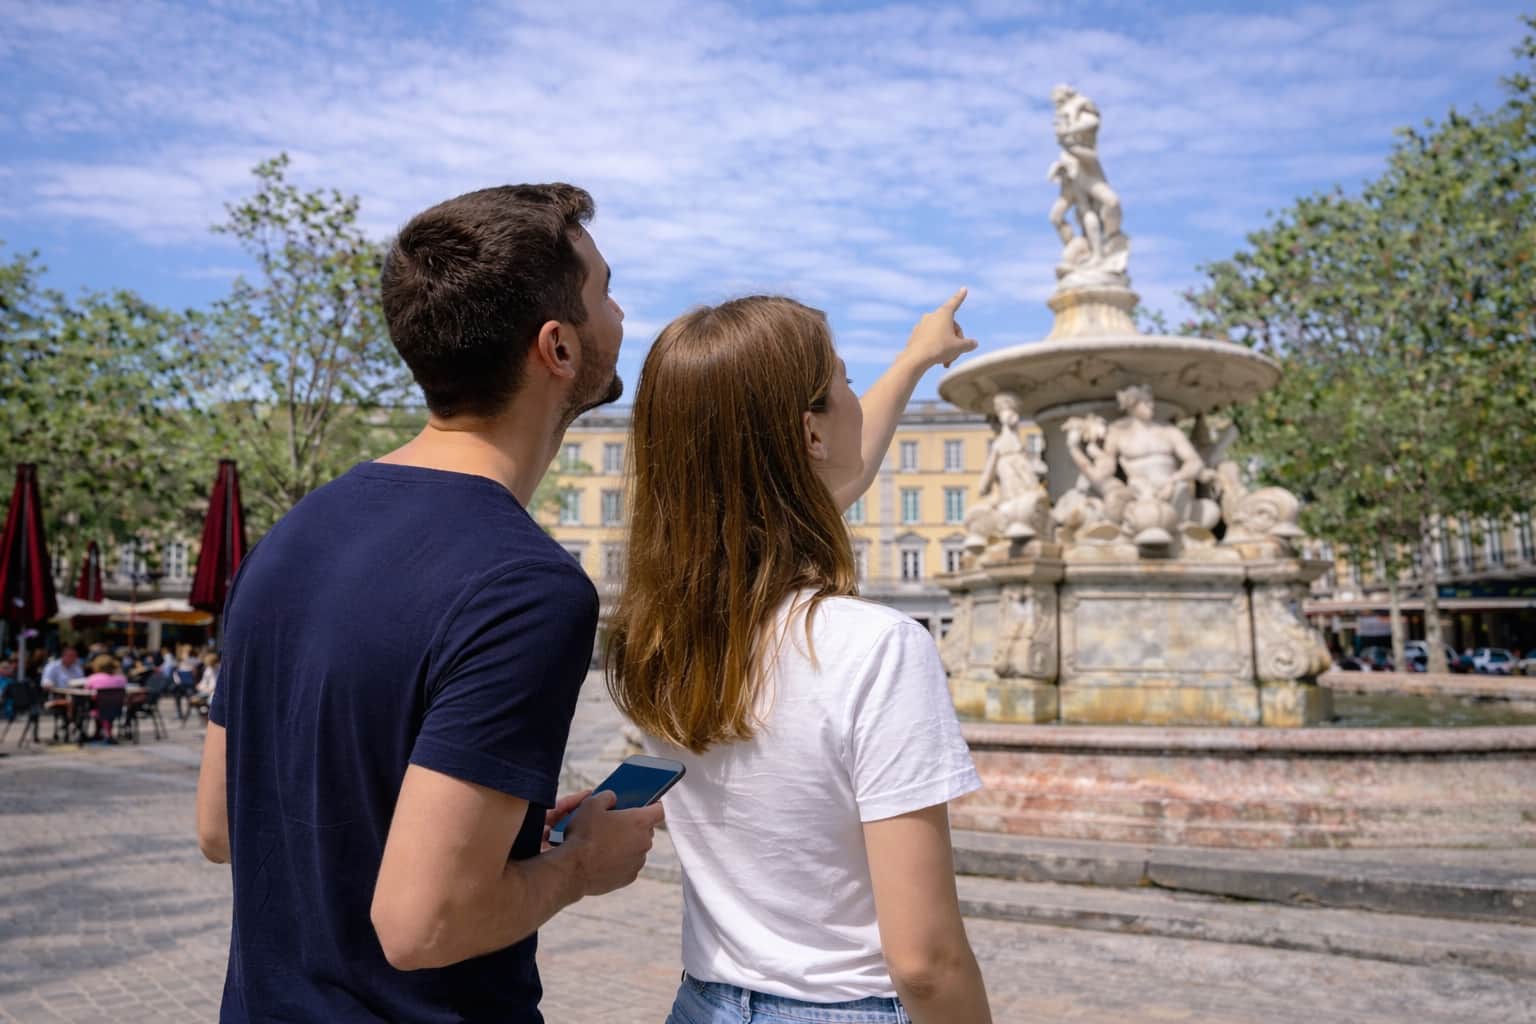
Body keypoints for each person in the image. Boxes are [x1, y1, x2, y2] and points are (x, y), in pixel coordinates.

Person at [196, 183, 661, 1023]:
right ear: (556, 347)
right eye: (605, 290)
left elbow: (223, 826)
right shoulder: (528, 590)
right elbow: (423, 923)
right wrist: (580, 867)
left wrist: (502, 833)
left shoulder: (291, 535)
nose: (621, 311)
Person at [609, 294, 993, 1024]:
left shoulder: (662, 637)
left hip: (703, 1003)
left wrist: (913, 360)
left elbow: (817, 476)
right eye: (846, 379)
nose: (858, 398)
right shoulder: (878, 649)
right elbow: (925, 961)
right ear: (811, 431)